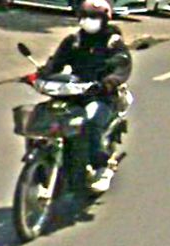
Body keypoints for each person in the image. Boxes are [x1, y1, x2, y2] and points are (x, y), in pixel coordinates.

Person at [39, 0, 132, 192]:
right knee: (45, 116)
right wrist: (43, 73)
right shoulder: (73, 41)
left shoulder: (113, 42)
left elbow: (122, 66)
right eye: (85, 16)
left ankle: (101, 167)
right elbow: (56, 63)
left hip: (101, 96)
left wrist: (109, 82)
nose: (88, 20)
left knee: (91, 122)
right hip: (74, 92)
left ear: (105, 19)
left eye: (94, 17)